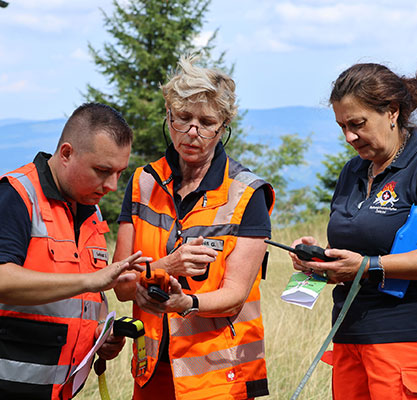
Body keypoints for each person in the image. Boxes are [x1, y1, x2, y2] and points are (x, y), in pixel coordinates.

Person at [290, 63, 417, 400]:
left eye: (357, 124)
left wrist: (368, 266)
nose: (349, 137)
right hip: (349, 339)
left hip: (413, 342)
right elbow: (357, 250)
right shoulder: (353, 171)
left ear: (392, 111)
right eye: (342, 126)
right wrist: (322, 262)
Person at [0, 103, 150, 400]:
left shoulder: (88, 211)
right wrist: (89, 281)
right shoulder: (12, 196)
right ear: (67, 153)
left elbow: (84, 292)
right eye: (102, 170)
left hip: (54, 388)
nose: (111, 185)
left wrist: (97, 332)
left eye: (119, 172)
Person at [113, 55, 275, 400]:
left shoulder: (247, 193)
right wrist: (159, 270)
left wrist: (184, 302)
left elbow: (234, 296)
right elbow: (121, 285)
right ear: (168, 116)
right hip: (152, 368)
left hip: (222, 374)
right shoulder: (143, 182)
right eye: (183, 118)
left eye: (206, 122)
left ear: (224, 126)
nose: (192, 132)